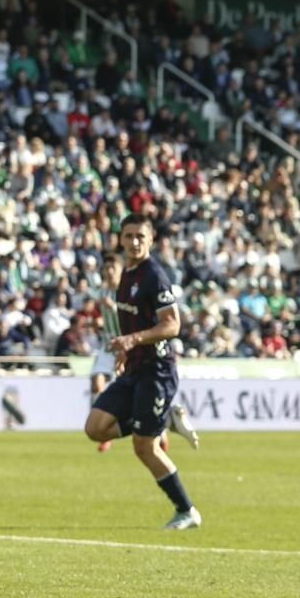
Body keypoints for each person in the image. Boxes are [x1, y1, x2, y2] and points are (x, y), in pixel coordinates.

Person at [82, 214, 201, 530]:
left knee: (144, 446)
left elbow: (172, 324)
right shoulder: (126, 275)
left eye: (140, 236)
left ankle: (186, 510)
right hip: (134, 367)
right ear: (120, 239)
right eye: (129, 236)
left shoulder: (154, 276)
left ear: (150, 240)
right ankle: (165, 420)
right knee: (95, 428)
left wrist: (133, 340)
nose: (134, 242)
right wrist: (125, 348)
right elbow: (131, 321)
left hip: (156, 372)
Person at [92, 252, 200, 453]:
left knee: (140, 403)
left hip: (130, 347)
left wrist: (115, 312)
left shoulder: (127, 289)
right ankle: (111, 430)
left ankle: (160, 424)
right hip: (109, 346)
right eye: (105, 268)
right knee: (97, 383)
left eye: (112, 268)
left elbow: (140, 317)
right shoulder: (102, 291)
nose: (108, 272)